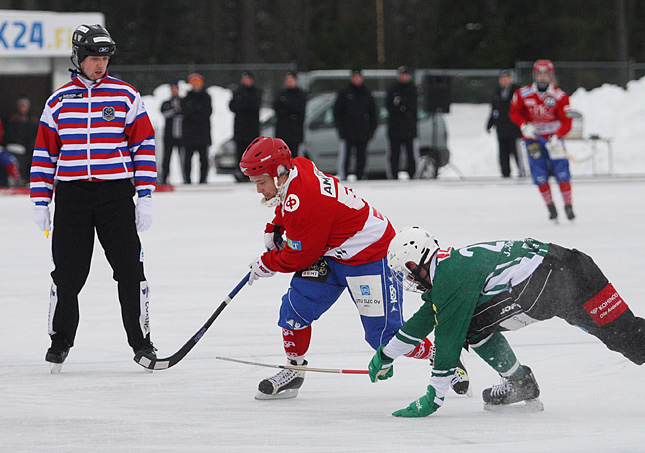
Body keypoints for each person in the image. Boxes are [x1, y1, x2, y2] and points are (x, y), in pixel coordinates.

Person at [239, 137, 469, 400]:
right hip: (333, 251)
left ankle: (440, 355)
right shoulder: (297, 168)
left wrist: (266, 263)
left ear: (280, 173)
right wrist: (275, 226)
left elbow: (298, 256)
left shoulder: (305, 198)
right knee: (294, 310)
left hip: (370, 256)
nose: (258, 190)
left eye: (260, 182)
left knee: (385, 339)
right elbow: (289, 209)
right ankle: (294, 370)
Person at [368, 226, 645, 417]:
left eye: (405, 272)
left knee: (469, 325)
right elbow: (428, 316)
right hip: (574, 265)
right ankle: (519, 381)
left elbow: (448, 335)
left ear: (416, 264)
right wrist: (387, 354)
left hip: (551, 284)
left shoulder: (450, 276)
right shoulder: (450, 265)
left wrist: (434, 397)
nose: (408, 280)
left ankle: (519, 382)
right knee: (629, 339)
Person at [29, 24, 157, 373]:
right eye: (93, 58)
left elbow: (143, 148)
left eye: (104, 58)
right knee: (68, 274)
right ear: (78, 58)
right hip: (72, 194)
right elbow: (44, 154)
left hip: (115, 193)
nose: (100, 65)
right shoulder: (57, 101)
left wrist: (144, 195)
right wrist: (41, 200)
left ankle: (141, 342)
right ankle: (60, 341)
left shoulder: (126, 96)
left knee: (130, 270)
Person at [510, 60, 574, 222]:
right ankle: (550, 206)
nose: (543, 77)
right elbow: (514, 113)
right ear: (535, 75)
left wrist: (557, 135)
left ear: (551, 76)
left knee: (562, 172)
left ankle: (568, 205)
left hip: (554, 140)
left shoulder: (560, 96)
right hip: (533, 140)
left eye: (546, 74)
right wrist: (523, 125)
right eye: (540, 74)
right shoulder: (522, 94)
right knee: (539, 173)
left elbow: (567, 121)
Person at [333, 70, 377, 180]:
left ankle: (361, 176)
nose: (357, 79)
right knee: (346, 156)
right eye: (355, 77)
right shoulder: (345, 93)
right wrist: (341, 129)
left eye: (358, 77)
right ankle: (343, 176)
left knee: (361, 156)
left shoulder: (366, 93)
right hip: (348, 132)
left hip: (362, 132)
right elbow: (337, 112)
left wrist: (371, 130)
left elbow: (374, 113)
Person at [486, 69, 524, 178]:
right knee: (503, 154)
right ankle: (505, 173)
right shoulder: (497, 93)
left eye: (506, 78)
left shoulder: (517, 92)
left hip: (514, 129)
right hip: (501, 130)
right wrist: (490, 124)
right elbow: (494, 111)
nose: (504, 81)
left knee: (517, 153)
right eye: (502, 79)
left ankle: (522, 172)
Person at [385, 66, 419, 179]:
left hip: (409, 128)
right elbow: (389, 106)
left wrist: (400, 103)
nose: (403, 77)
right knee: (394, 155)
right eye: (401, 75)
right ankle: (393, 176)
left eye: (405, 75)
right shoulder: (393, 89)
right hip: (395, 129)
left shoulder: (412, 88)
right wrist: (401, 106)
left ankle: (413, 175)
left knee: (411, 154)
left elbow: (412, 106)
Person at [229, 71, 262, 182]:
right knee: (240, 153)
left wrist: (243, 105)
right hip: (240, 130)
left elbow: (253, 106)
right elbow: (232, 106)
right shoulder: (238, 92)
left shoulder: (256, 92)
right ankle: (240, 173)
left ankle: (252, 173)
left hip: (252, 130)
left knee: (252, 153)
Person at [181, 73, 212, 184]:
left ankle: (203, 180)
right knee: (187, 160)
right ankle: (187, 180)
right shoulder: (186, 98)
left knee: (204, 159)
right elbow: (185, 112)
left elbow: (206, 113)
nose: (195, 85)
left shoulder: (206, 97)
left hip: (202, 134)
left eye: (197, 83)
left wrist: (194, 113)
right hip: (189, 134)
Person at [3, 95, 39, 184]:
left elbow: (36, 136)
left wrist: (29, 146)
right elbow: (8, 135)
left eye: (24, 105)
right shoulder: (11, 120)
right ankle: (20, 180)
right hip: (16, 147)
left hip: (29, 148)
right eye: (21, 105)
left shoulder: (33, 121)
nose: (23, 108)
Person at [273, 71, 307, 157]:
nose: (289, 82)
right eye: (287, 80)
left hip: (295, 133)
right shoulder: (281, 94)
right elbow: (277, 109)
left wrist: (288, 106)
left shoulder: (301, 94)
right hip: (282, 132)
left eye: (291, 79)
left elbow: (298, 109)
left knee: (296, 156)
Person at [159, 79, 184, 185]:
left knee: (183, 159)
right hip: (169, 135)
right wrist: (175, 111)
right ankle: (164, 179)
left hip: (181, 135)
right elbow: (165, 113)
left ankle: (186, 178)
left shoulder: (184, 101)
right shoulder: (166, 103)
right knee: (166, 159)